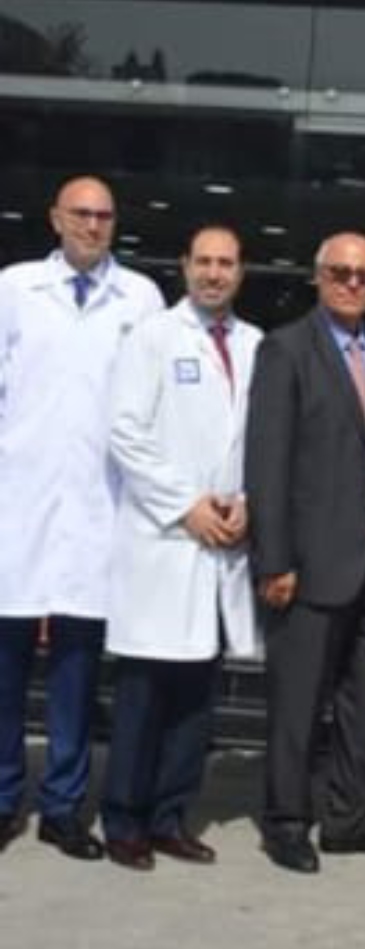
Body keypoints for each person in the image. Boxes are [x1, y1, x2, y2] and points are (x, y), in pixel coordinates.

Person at [245, 232, 365, 874]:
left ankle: (350, 817)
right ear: (318, 277)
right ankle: (287, 821)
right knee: (298, 701)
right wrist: (275, 560)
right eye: (341, 273)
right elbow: (266, 463)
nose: (353, 284)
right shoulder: (286, 350)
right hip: (310, 561)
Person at [0, 176, 164, 859]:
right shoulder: (12, 289)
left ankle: (63, 805)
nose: (93, 226)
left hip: (100, 510)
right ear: (56, 219)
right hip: (18, 503)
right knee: (4, 668)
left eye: (104, 216)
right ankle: (5, 795)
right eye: (81, 214)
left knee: (76, 668)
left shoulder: (143, 299)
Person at [100, 225, 262, 870]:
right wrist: (186, 505)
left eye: (226, 263)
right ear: (184, 266)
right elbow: (126, 435)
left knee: (197, 700)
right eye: (203, 262)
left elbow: (260, 439)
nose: (214, 273)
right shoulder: (152, 339)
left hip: (223, 541)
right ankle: (124, 821)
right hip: (165, 539)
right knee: (143, 696)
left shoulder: (254, 345)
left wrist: (246, 500)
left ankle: (170, 817)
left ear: (241, 273)